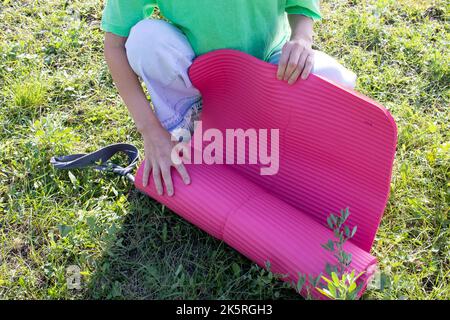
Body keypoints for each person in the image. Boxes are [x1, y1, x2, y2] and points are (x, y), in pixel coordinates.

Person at [101, 1, 357, 196]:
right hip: (200, 78)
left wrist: (301, 38)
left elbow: (300, 5)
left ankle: (273, 138)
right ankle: (192, 127)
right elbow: (115, 44)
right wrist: (151, 132)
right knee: (145, 39)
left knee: (337, 80)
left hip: (269, 67)